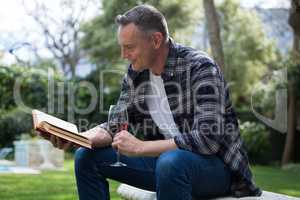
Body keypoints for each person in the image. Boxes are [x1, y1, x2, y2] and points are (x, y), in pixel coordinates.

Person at [39, 4, 261, 200]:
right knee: (86, 157)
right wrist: (78, 138)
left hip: (217, 169)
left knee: (171, 162)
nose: (124, 55)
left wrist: (142, 147)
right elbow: (115, 124)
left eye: (129, 47)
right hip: (167, 165)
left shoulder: (200, 67)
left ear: (155, 40)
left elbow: (207, 139)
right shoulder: (136, 74)